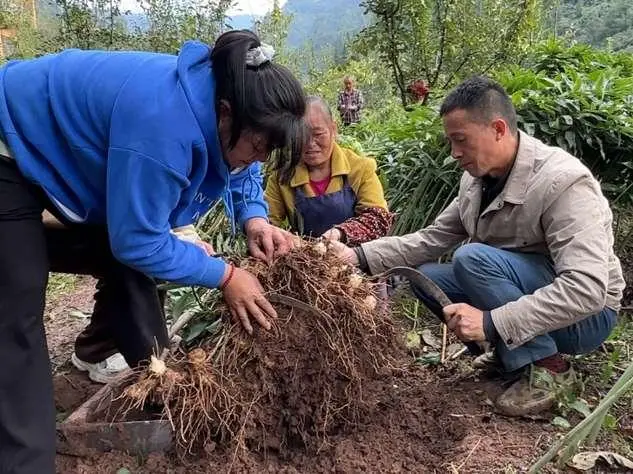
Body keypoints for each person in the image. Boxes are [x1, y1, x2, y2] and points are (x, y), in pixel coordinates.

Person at [0, 29, 306, 473]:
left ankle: (102, 350)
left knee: (122, 253)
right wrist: (225, 275)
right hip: (8, 141)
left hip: (61, 159)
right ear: (225, 114)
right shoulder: (164, 123)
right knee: (16, 303)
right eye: (258, 147)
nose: (258, 159)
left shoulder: (229, 100)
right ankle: (24, 462)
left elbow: (238, 166)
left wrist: (254, 217)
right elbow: (138, 240)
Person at [332, 76, 625, 417]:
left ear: (498, 129)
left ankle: (550, 368)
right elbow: (431, 239)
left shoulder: (563, 183)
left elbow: (586, 290)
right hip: (527, 295)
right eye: (451, 142)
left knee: (471, 258)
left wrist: (490, 323)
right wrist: (356, 255)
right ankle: (512, 357)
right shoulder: (476, 180)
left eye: (461, 141)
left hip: (588, 318)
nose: (455, 153)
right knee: (427, 277)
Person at [265, 96, 392, 246]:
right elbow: (267, 222)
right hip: (304, 260)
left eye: (318, 134)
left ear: (333, 129)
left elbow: (378, 219)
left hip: (356, 258)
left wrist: (340, 233)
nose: (310, 143)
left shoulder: (360, 168)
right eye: (301, 136)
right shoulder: (282, 177)